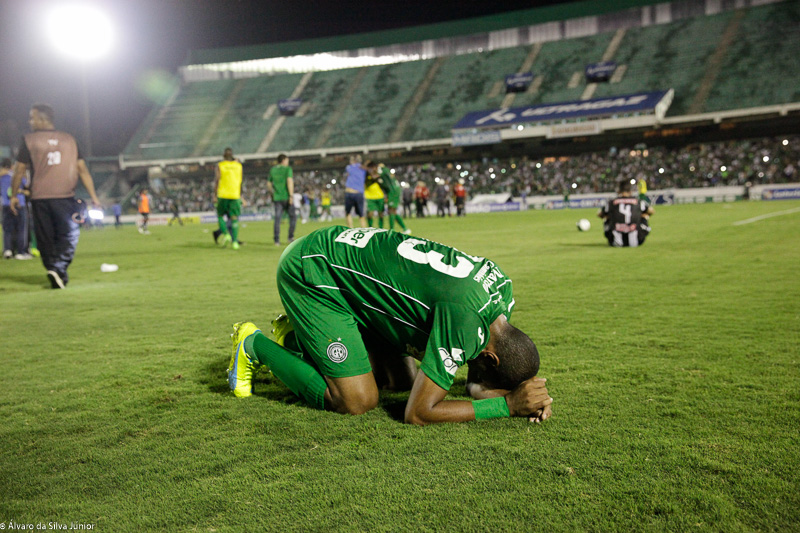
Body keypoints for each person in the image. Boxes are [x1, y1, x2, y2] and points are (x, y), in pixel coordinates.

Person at [226, 226, 553, 425]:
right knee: (357, 401)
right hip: (315, 271)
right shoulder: (465, 322)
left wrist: (522, 389)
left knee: (401, 381)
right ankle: (253, 345)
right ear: (490, 359)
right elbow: (418, 413)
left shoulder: (502, 295)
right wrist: (506, 405)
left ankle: (297, 338)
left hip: (352, 270)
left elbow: (476, 377)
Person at [9, 103, 101, 288]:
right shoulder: (69, 140)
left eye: (32, 117)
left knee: (45, 237)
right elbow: (82, 170)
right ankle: (58, 268)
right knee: (69, 234)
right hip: (64, 197)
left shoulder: (29, 140)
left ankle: (54, 268)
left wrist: (13, 195)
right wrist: (94, 196)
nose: (30, 121)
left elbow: (19, 170)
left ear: (42, 119)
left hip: (39, 198)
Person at [598, 179, 654, 247]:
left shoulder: (612, 202)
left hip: (614, 241)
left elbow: (599, 214)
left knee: (606, 216)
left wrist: (612, 217)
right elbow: (652, 211)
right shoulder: (638, 202)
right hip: (637, 241)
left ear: (619, 190)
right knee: (645, 214)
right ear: (631, 191)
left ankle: (615, 236)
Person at [2, 158, 32, 259]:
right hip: (20, 204)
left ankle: (7, 250)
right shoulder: (17, 177)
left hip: (5, 204)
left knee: (7, 230)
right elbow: (27, 188)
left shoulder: (2, 177)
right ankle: (20, 252)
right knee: (21, 229)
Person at [214, 147, 243, 249]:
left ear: (223, 156)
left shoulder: (220, 165)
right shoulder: (238, 166)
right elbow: (240, 181)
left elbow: (217, 180)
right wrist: (241, 195)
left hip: (222, 194)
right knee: (234, 218)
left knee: (220, 215)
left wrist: (214, 195)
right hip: (235, 194)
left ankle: (226, 234)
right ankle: (235, 242)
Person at [267, 154, 296, 245]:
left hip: (277, 198)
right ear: (283, 160)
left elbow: (269, 184)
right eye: (287, 160)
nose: (288, 162)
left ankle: (276, 240)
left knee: (277, 219)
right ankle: (290, 237)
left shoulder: (273, 169)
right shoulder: (288, 169)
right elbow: (289, 181)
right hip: (286, 197)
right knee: (293, 217)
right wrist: (291, 196)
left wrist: (272, 194)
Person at [375, 163, 410, 234]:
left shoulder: (384, 170)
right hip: (393, 191)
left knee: (391, 210)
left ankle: (392, 230)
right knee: (392, 211)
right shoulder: (388, 175)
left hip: (393, 191)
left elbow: (381, 174)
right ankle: (404, 228)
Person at [344, 155, 367, 228]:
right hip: (359, 193)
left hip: (349, 192)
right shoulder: (363, 169)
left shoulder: (349, 167)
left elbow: (348, 170)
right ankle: (364, 229)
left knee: (348, 213)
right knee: (361, 214)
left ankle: (350, 228)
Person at [363, 162, 385, 229]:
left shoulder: (379, 175)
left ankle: (381, 228)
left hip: (380, 196)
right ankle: (370, 228)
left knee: (381, 214)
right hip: (370, 197)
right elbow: (371, 177)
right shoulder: (366, 175)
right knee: (370, 214)